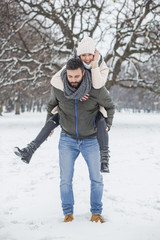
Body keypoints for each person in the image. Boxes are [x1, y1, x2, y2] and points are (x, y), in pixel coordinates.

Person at [14, 37, 110, 172]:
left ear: (95, 53)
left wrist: (94, 65)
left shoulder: (102, 66)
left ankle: (104, 159)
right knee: (55, 116)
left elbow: (98, 85)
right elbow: (55, 80)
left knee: (101, 119)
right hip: (69, 110)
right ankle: (29, 150)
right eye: (83, 55)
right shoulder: (74, 65)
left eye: (90, 54)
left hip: (93, 109)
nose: (87, 58)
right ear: (78, 55)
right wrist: (74, 92)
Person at [46, 57, 115, 222]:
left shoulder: (95, 88)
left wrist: (107, 125)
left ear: (83, 73)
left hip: (91, 140)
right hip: (67, 139)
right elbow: (51, 106)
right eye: (70, 76)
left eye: (76, 76)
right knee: (65, 180)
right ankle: (68, 213)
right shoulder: (59, 88)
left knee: (96, 179)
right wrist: (48, 124)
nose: (73, 80)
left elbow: (110, 106)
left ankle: (96, 213)